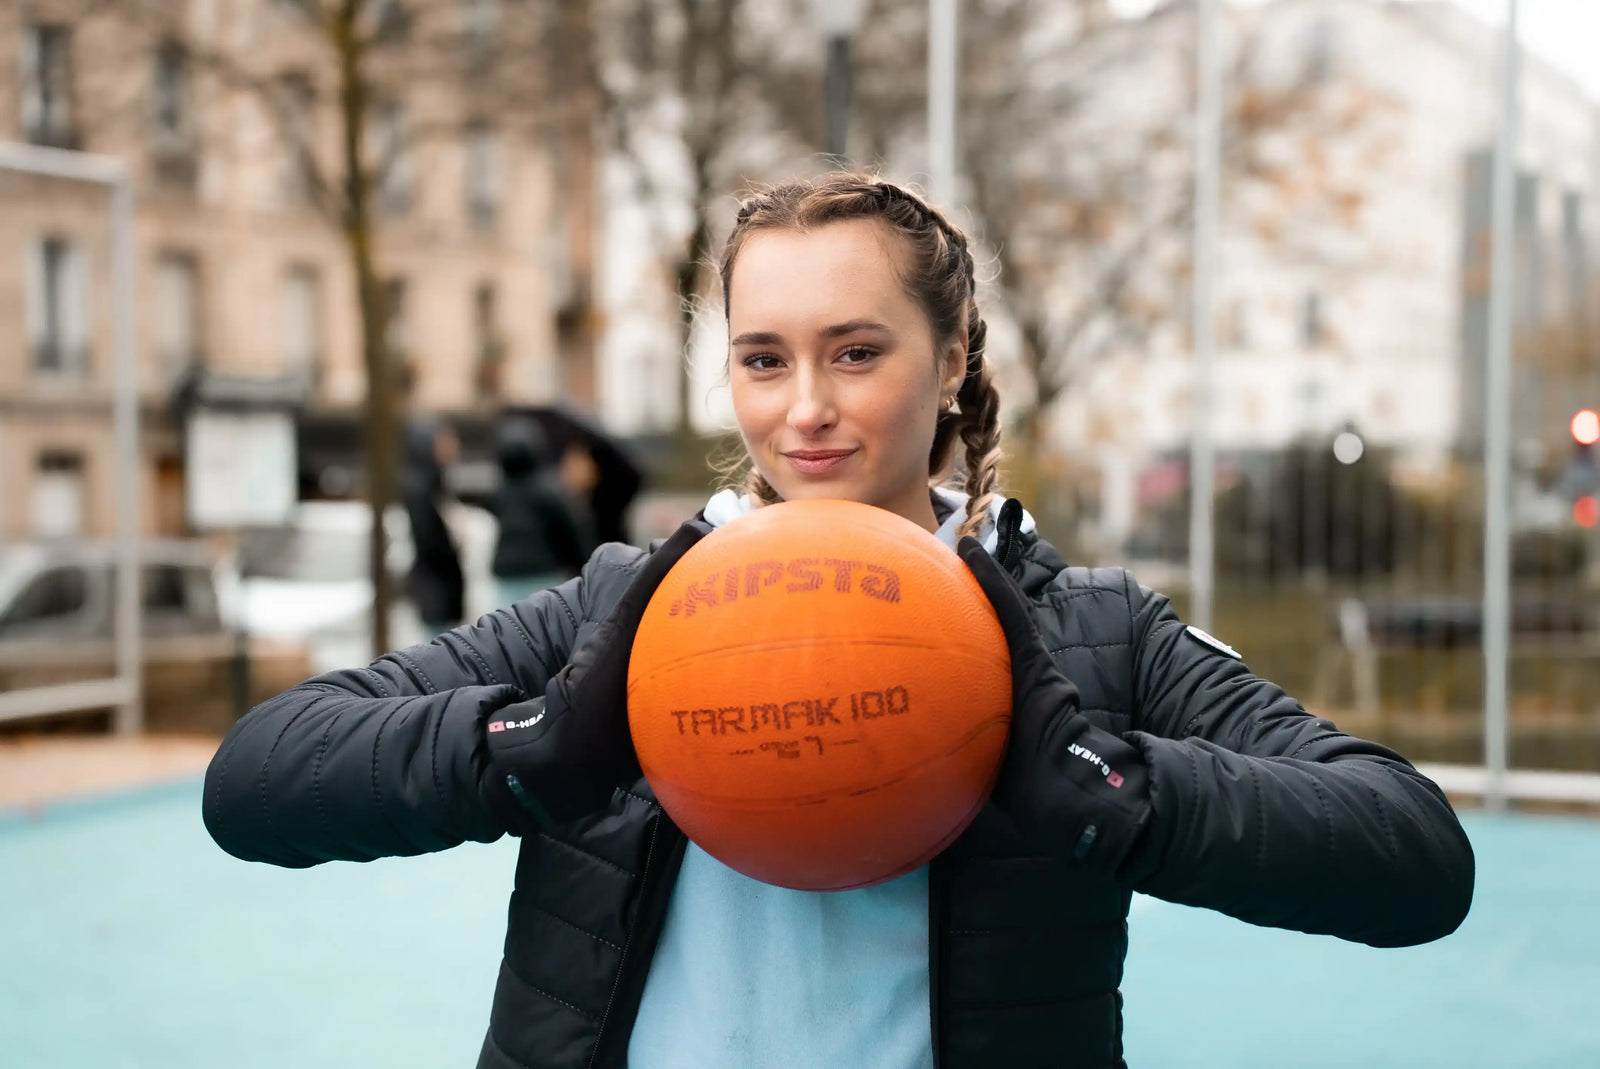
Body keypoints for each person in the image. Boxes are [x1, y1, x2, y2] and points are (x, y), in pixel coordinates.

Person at [202, 173, 1474, 1069]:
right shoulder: (630, 609)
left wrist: (1109, 787)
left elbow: (1411, 855)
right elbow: (259, 778)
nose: (803, 407)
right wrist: (528, 744)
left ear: (954, 356)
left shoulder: (1087, 634)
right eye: (764, 358)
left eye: (855, 351)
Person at [487, 417, 591, 606]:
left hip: (507, 576)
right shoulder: (550, 490)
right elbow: (570, 531)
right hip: (544, 573)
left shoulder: (497, 493)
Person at [398, 417, 465, 637]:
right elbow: (429, 541)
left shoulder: (435, 483)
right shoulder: (420, 488)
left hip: (442, 591)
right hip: (436, 591)